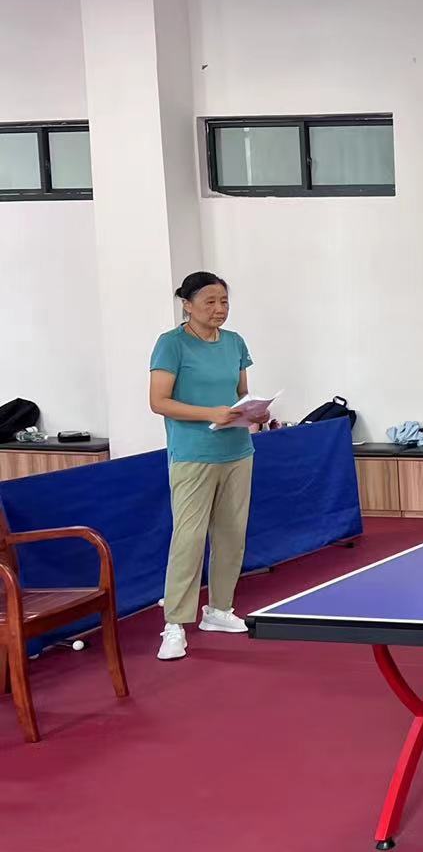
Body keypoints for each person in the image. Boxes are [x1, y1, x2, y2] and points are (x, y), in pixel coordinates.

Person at [147, 271, 267, 662]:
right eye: (210, 302)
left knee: (232, 534)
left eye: (224, 302)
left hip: (238, 451)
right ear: (187, 304)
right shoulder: (171, 344)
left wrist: (256, 412)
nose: (219, 309)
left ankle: (219, 610)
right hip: (193, 454)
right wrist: (209, 413)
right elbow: (159, 402)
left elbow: (241, 393)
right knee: (189, 537)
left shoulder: (235, 343)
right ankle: (175, 624)